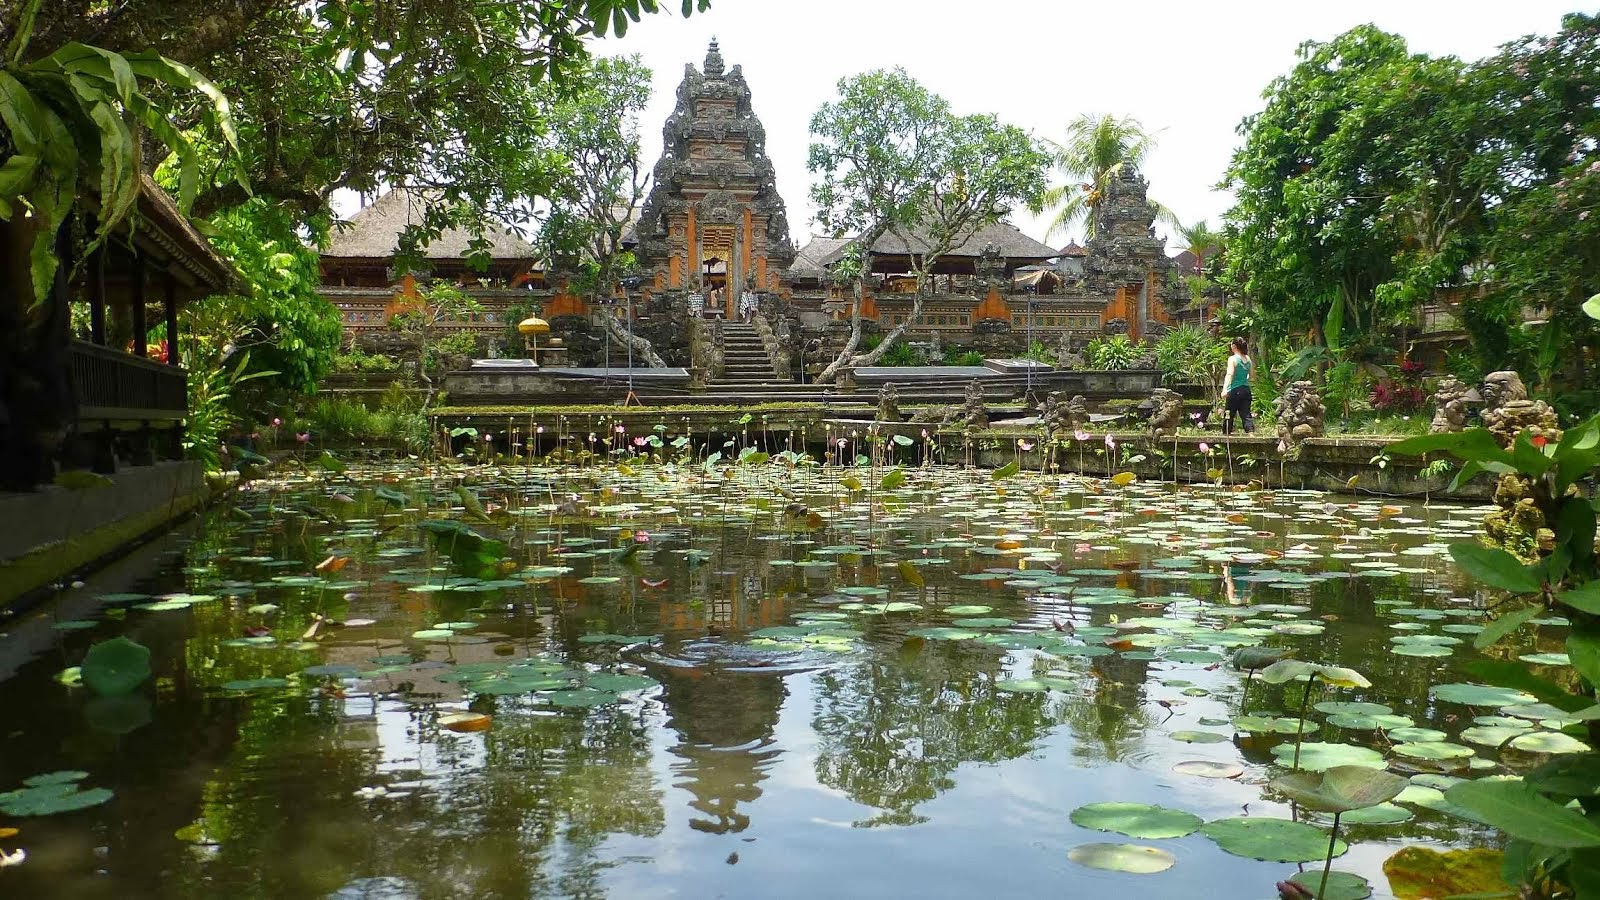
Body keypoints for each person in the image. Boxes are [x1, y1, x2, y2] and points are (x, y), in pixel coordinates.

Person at [1221, 337, 1254, 434]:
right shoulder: (1248, 359)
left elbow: (1230, 374)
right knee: (1246, 414)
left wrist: (1225, 389)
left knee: (1229, 413)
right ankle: (1251, 433)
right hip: (1246, 389)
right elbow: (1252, 376)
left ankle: (1226, 436)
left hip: (1235, 390)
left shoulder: (1233, 359)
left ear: (1234, 346)